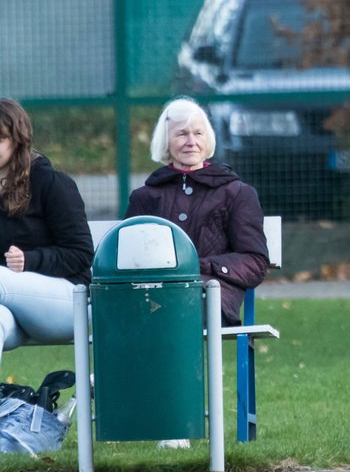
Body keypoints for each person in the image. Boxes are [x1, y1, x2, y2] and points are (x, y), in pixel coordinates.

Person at [127, 98, 269, 328]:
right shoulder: (145, 197)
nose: (191, 142)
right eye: (182, 134)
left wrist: (201, 266)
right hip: (154, 294)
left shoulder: (236, 192)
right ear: (166, 142)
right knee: (134, 308)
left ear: (208, 139)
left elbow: (254, 261)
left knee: (181, 306)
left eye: (198, 134)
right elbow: (128, 258)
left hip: (213, 293)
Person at [0, 99, 92, 369]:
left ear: (17, 140)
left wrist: (31, 260)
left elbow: (81, 254)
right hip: (13, 307)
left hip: (67, 303)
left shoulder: (51, 183)